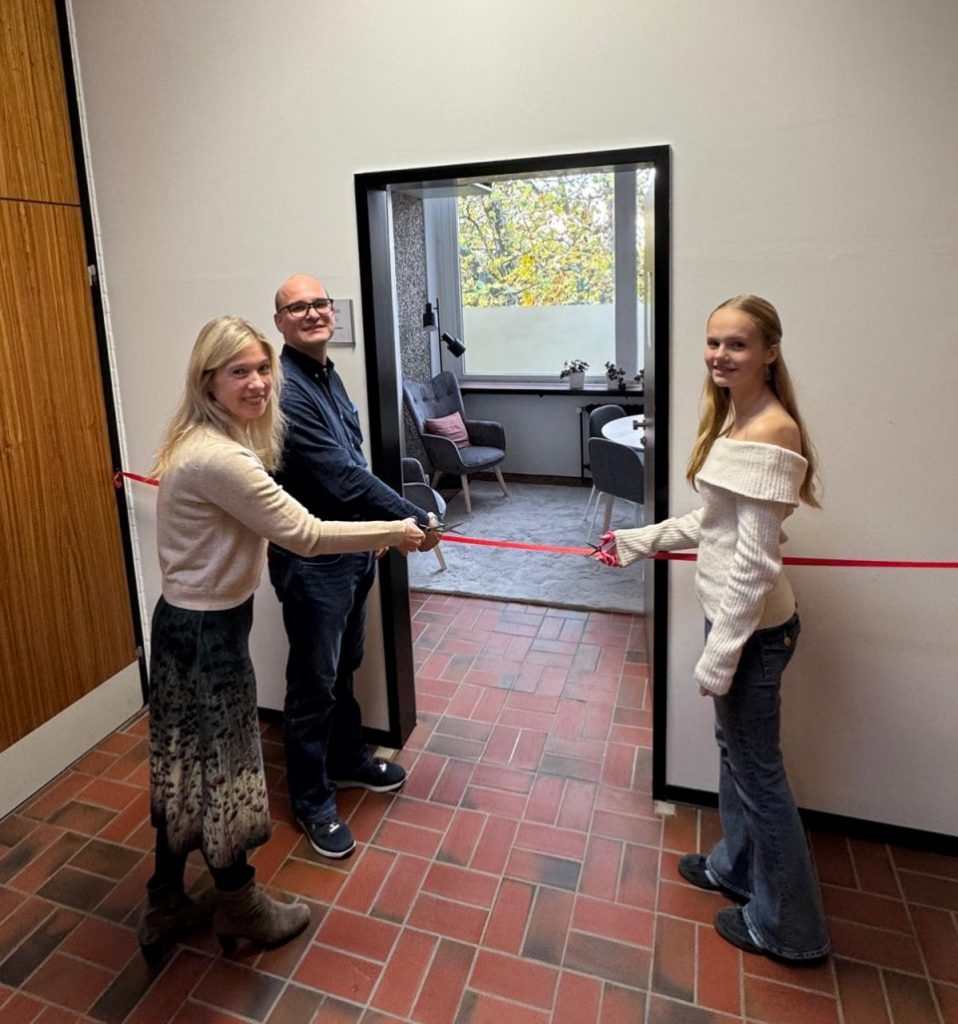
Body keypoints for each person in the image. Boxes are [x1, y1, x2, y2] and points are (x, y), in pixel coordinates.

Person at [140, 315, 424, 962]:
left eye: (263, 368)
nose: (259, 382)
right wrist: (396, 529)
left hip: (187, 624)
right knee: (229, 773)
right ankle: (241, 905)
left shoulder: (207, 437)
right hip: (206, 635)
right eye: (239, 371)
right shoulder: (220, 456)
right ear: (207, 379)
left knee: (185, 769)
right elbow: (308, 534)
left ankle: (164, 898)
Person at [595, 295, 830, 963]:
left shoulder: (769, 431)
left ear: (770, 351)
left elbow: (754, 565)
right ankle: (734, 869)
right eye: (714, 342)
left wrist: (720, 657)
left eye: (738, 344)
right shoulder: (736, 417)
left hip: (752, 629)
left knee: (760, 775)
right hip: (738, 623)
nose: (720, 355)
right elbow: (714, 524)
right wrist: (639, 539)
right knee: (737, 758)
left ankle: (792, 929)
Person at [268, 274, 442, 859]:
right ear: (281, 322)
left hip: (351, 551)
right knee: (313, 683)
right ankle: (313, 801)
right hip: (313, 560)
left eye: (319, 303)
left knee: (346, 665)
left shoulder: (326, 374)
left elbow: (354, 461)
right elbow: (339, 475)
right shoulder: (288, 391)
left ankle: (347, 761)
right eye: (299, 307)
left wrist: (382, 531)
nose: (313, 313)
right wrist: (408, 518)